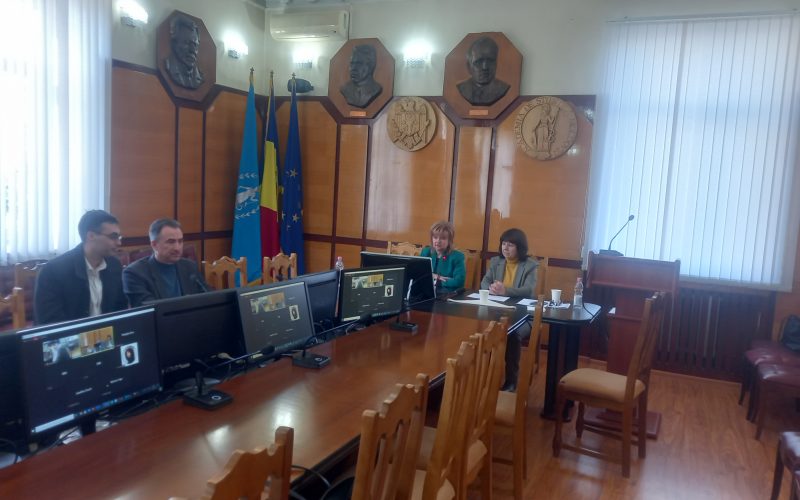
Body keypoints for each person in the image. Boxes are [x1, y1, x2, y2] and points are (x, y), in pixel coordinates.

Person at [34, 210, 128, 325]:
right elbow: (49, 322)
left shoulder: (114, 265)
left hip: (107, 334)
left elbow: (120, 310)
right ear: (91, 236)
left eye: (119, 237)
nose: (119, 243)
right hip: (70, 335)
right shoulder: (54, 271)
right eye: (113, 237)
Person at [480, 228, 538, 391]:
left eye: (510, 245)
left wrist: (506, 291)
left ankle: (511, 380)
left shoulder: (530, 265)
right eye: (504, 244)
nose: (505, 248)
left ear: (520, 247)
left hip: (524, 314)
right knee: (481, 327)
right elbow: (484, 282)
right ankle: (483, 376)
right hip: (497, 310)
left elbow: (528, 290)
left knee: (512, 333)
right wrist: (491, 288)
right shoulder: (496, 262)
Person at [123, 218, 210, 307]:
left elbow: (208, 297)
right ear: (154, 245)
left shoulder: (189, 266)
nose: (177, 248)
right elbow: (148, 309)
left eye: (180, 241)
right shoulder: (134, 273)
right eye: (171, 242)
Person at [457, 36, 510, 106]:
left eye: (490, 61)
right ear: (469, 66)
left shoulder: (503, 89)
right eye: (478, 61)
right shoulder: (461, 89)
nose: (485, 67)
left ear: (496, 63)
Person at [419, 221, 466, 292]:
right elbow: (419, 275)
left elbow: (459, 281)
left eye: (443, 238)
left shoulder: (457, 257)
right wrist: (435, 276)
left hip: (448, 294)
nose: (438, 241)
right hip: (426, 291)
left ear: (449, 240)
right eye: (435, 237)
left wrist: (436, 281)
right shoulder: (426, 252)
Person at [164, 15, 204, 89]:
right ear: (174, 43)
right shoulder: (168, 66)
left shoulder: (200, 76)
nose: (192, 50)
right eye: (187, 43)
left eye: (195, 45)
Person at [339, 44, 383, 108]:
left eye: (359, 64)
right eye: (352, 63)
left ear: (371, 65)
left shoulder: (376, 89)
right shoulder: (345, 89)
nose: (353, 68)